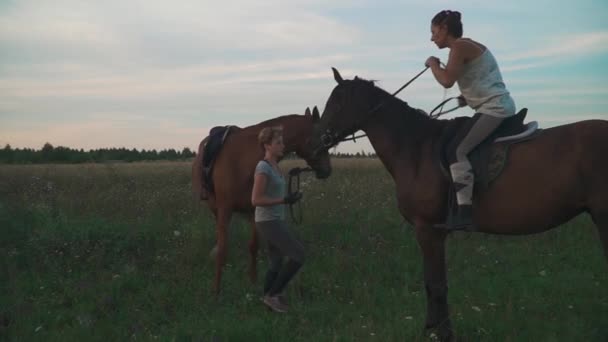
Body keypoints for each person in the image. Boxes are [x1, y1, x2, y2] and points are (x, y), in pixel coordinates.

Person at [425, 10, 517, 230]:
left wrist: (433, 65)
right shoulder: (466, 46)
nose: (431, 38)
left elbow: (447, 81)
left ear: (445, 29)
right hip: (490, 106)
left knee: (456, 150)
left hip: (494, 109)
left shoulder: (459, 47)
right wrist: (467, 98)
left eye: (433, 32)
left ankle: (464, 214)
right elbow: (481, 77)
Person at [251, 126, 305, 312]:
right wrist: (283, 200)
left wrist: (291, 192)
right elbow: (256, 199)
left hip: (275, 219)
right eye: (278, 142)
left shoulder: (275, 166)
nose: (283, 145)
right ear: (267, 145)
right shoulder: (263, 167)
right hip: (267, 221)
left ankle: (268, 304)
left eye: (282, 141)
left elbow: (274, 192)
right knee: (298, 254)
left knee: (276, 263)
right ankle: (273, 295)